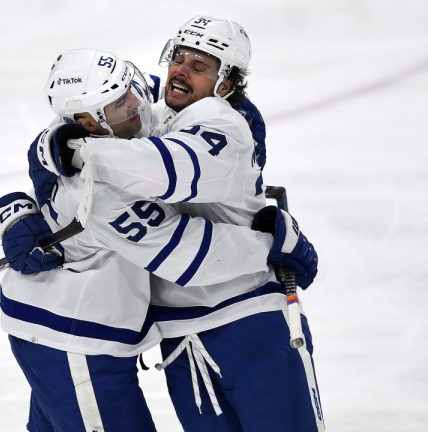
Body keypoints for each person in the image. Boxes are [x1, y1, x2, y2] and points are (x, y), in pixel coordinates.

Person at [31, 16, 325, 431]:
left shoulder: (224, 127)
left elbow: (160, 170)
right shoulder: (157, 112)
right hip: (181, 336)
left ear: (226, 82)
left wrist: (78, 150)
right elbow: (88, 109)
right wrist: (51, 145)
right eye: (179, 57)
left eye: (199, 65)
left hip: (249, 318)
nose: (180, 70)